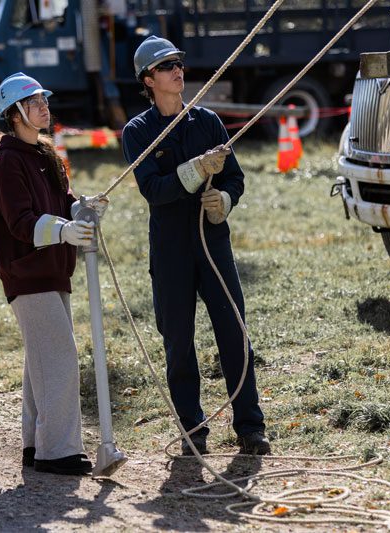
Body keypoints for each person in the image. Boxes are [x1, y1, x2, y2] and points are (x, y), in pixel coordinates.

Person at [121, 36, 270, 456]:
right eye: (167, 66)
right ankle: (193, 431)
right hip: (170, 251)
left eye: (179, 64)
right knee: (179, 341)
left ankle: (250, 427)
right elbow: (153, 190)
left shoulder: (206, 121)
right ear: (148, 79)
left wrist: (224, 200)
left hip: (213, 245)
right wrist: (194, 170)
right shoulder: (138, 132)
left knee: (234, 332)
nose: (177, 71)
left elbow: (235, 178)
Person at [0, 72, 108, 475]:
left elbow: (64, 199)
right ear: (14, 113)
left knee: (43, 359)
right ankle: (59, 452)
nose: (43, 106)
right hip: (27, 275)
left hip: (56, 272)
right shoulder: (5, 164)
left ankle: (36, 445)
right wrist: (64, 230)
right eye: (33, 102)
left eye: (43, 100)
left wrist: (82, 209)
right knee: (59, 359)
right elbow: (21, 222)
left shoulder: (45, 154)